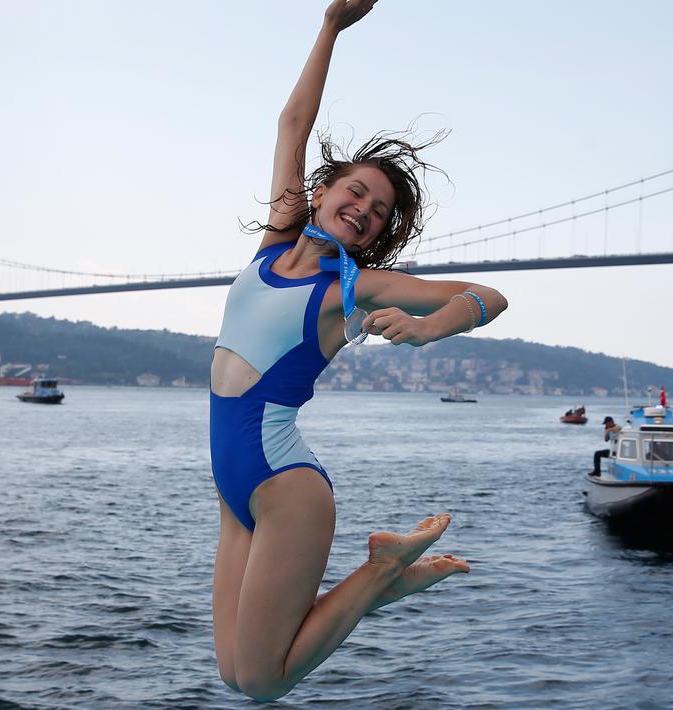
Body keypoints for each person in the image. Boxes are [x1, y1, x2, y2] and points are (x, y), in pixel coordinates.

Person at [208, 0, 508, 701]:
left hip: (285, 488)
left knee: (261, 681)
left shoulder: (354, 286)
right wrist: (330, 27)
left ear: (373, 238)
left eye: (376, 214)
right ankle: (388, 578)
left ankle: (380, 568)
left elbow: (487, 296)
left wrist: (435, 326)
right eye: (356, 192)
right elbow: (292, 125)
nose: (364, 210)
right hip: (231, 485)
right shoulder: (275, 244)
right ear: (321, 192)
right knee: (231, 671)